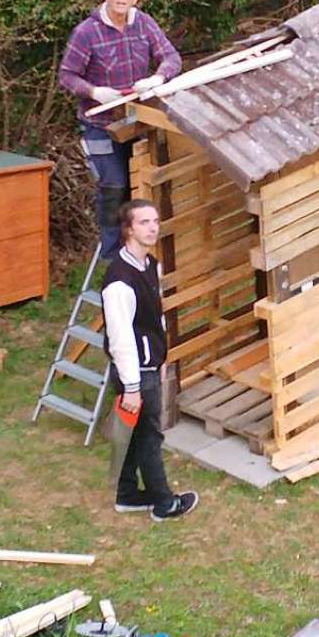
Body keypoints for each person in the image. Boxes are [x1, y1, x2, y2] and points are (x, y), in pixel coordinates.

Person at [58, 0, 182, 259]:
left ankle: (139, 252)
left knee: (140, 181)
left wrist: (157, 78)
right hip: (100, 124)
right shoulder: (87, 32)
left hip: (135, 122)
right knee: (113, 185)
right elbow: (67, 76)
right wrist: (93, 91)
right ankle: (113, 256)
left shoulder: (144, 24)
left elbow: (171, 57)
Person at [101, 199, 198, 521]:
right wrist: (131, 386)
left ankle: (128, 495)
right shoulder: (119, 280)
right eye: (144, 222)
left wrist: (162, 354)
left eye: (155, 221)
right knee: (149, 436)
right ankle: (164, 503)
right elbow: (121, 339)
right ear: (128, 229)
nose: (153, 227)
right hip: (136, 373)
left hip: (149, 365)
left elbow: (154, 315)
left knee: (135, 433)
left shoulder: (150, 265)